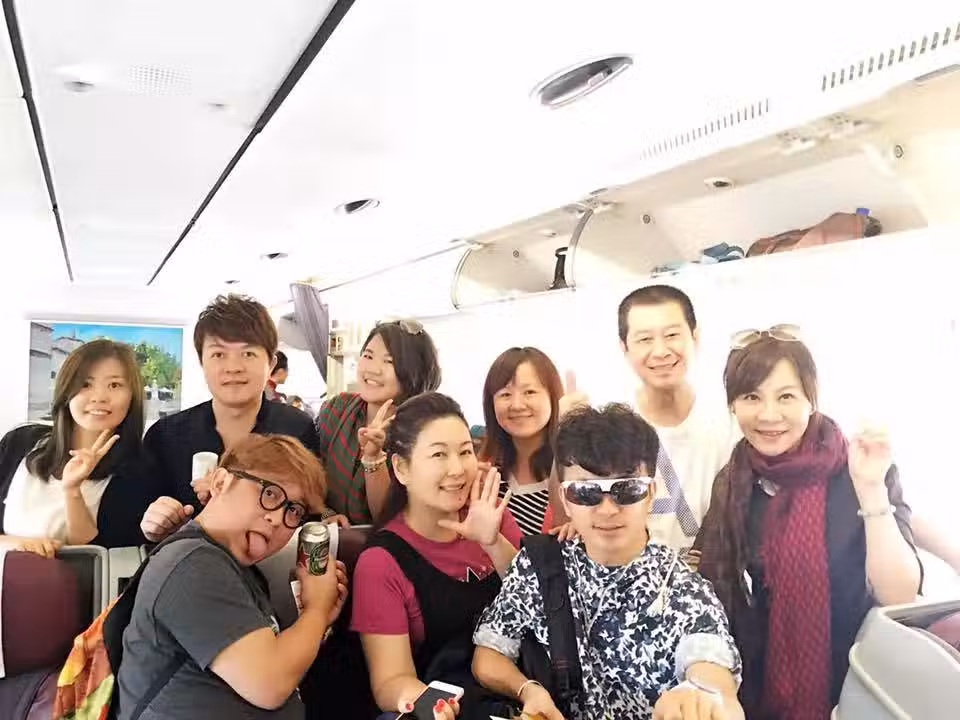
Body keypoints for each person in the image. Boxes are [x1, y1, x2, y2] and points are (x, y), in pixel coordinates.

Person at [695, 326, 923, 719]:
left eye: (786, 396)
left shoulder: (859, 468)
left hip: (859, 682)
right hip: (762, 689)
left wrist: (871, 489)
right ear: (733, 404)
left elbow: (899, 593)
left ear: (811, 398)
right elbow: (708, 579)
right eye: (751, 397)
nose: (769, 415)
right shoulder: (734, 481)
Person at [473, 404, 743, 720]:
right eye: (586, 492)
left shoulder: (683, 589)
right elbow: (488, 654)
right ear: (565, 500)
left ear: (650, 494)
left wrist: (699, 696)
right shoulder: (538, 568)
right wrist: (527, 690)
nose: (607, 509)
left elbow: (712, 672)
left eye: (626, 490)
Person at [116, 433, 347, 720]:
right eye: (270, 494)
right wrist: (317, 609)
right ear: (220, 482)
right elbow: (269, 683)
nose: (277, 519)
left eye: (293, 510)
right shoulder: (193, 564)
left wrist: (317, 620)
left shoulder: (237, 569)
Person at [350, 392, 523, 719]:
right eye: (439, 454)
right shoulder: (381, 562)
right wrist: (435, 704)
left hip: (518, 691)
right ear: (401, 468)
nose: (457, 469)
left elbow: (539, 605)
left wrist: (492, 542)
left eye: (465, 451)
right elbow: (390, 681)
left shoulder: (492, 518)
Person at [139, 295, 334, 543]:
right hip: (187, 559)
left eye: (248, 353)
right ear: (202, 362)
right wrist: (155, 524)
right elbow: (142, 523)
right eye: (219, 354)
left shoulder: (297, 428)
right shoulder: (165, 436)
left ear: (271, 363)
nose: (233, 367)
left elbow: (310, 511)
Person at [0, 339, 148, 553]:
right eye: (86, 384)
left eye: (114, 385)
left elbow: (98, 557)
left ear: (132, 396)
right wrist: (17, 544)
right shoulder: (19, 442)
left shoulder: (139, 472)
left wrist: (72, 490)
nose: (99, 397)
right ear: (66, 391)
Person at [314, 319, 442, 525]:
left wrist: (373, 458)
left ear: (414, 371)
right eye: (368, 356)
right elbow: (309, 480)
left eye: (389, 361)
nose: (373, 369)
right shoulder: (336, 409)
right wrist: (325, 513)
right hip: (325, 533)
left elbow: (389, 518)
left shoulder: (423, 434)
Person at [480, 347, 565, 536]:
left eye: (530, 392)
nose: (517, 405)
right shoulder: (483, 471)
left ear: (553, 397)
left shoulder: (575, 471)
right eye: (505, 394)